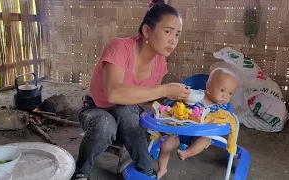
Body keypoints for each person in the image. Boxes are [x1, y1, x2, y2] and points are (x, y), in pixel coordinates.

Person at [71, 0, 191, 179]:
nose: (173, 40)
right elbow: (114, 93)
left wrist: (173, 105)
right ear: (147, 31)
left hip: (127, 115)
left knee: (126, 110)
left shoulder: (160, 64)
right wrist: (165, 89)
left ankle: (145, 171)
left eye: (177, 34)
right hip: (96, 108)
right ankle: (81, 172)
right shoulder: (119, 48)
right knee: (105, 124)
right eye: (167, 32)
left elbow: (151, 100)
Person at [157, 68, 238, 179]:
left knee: (203, 140)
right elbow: (177, 107)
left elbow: (229, 121)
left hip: (201, 134)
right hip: (182, 131)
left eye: (230, 93)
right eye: (222, 90)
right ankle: (162, 168)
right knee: (167, 144)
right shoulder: (195, 96)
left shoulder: (223, 108)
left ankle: (186, 153)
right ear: (208, 86)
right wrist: (166, 109)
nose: (225, 97)